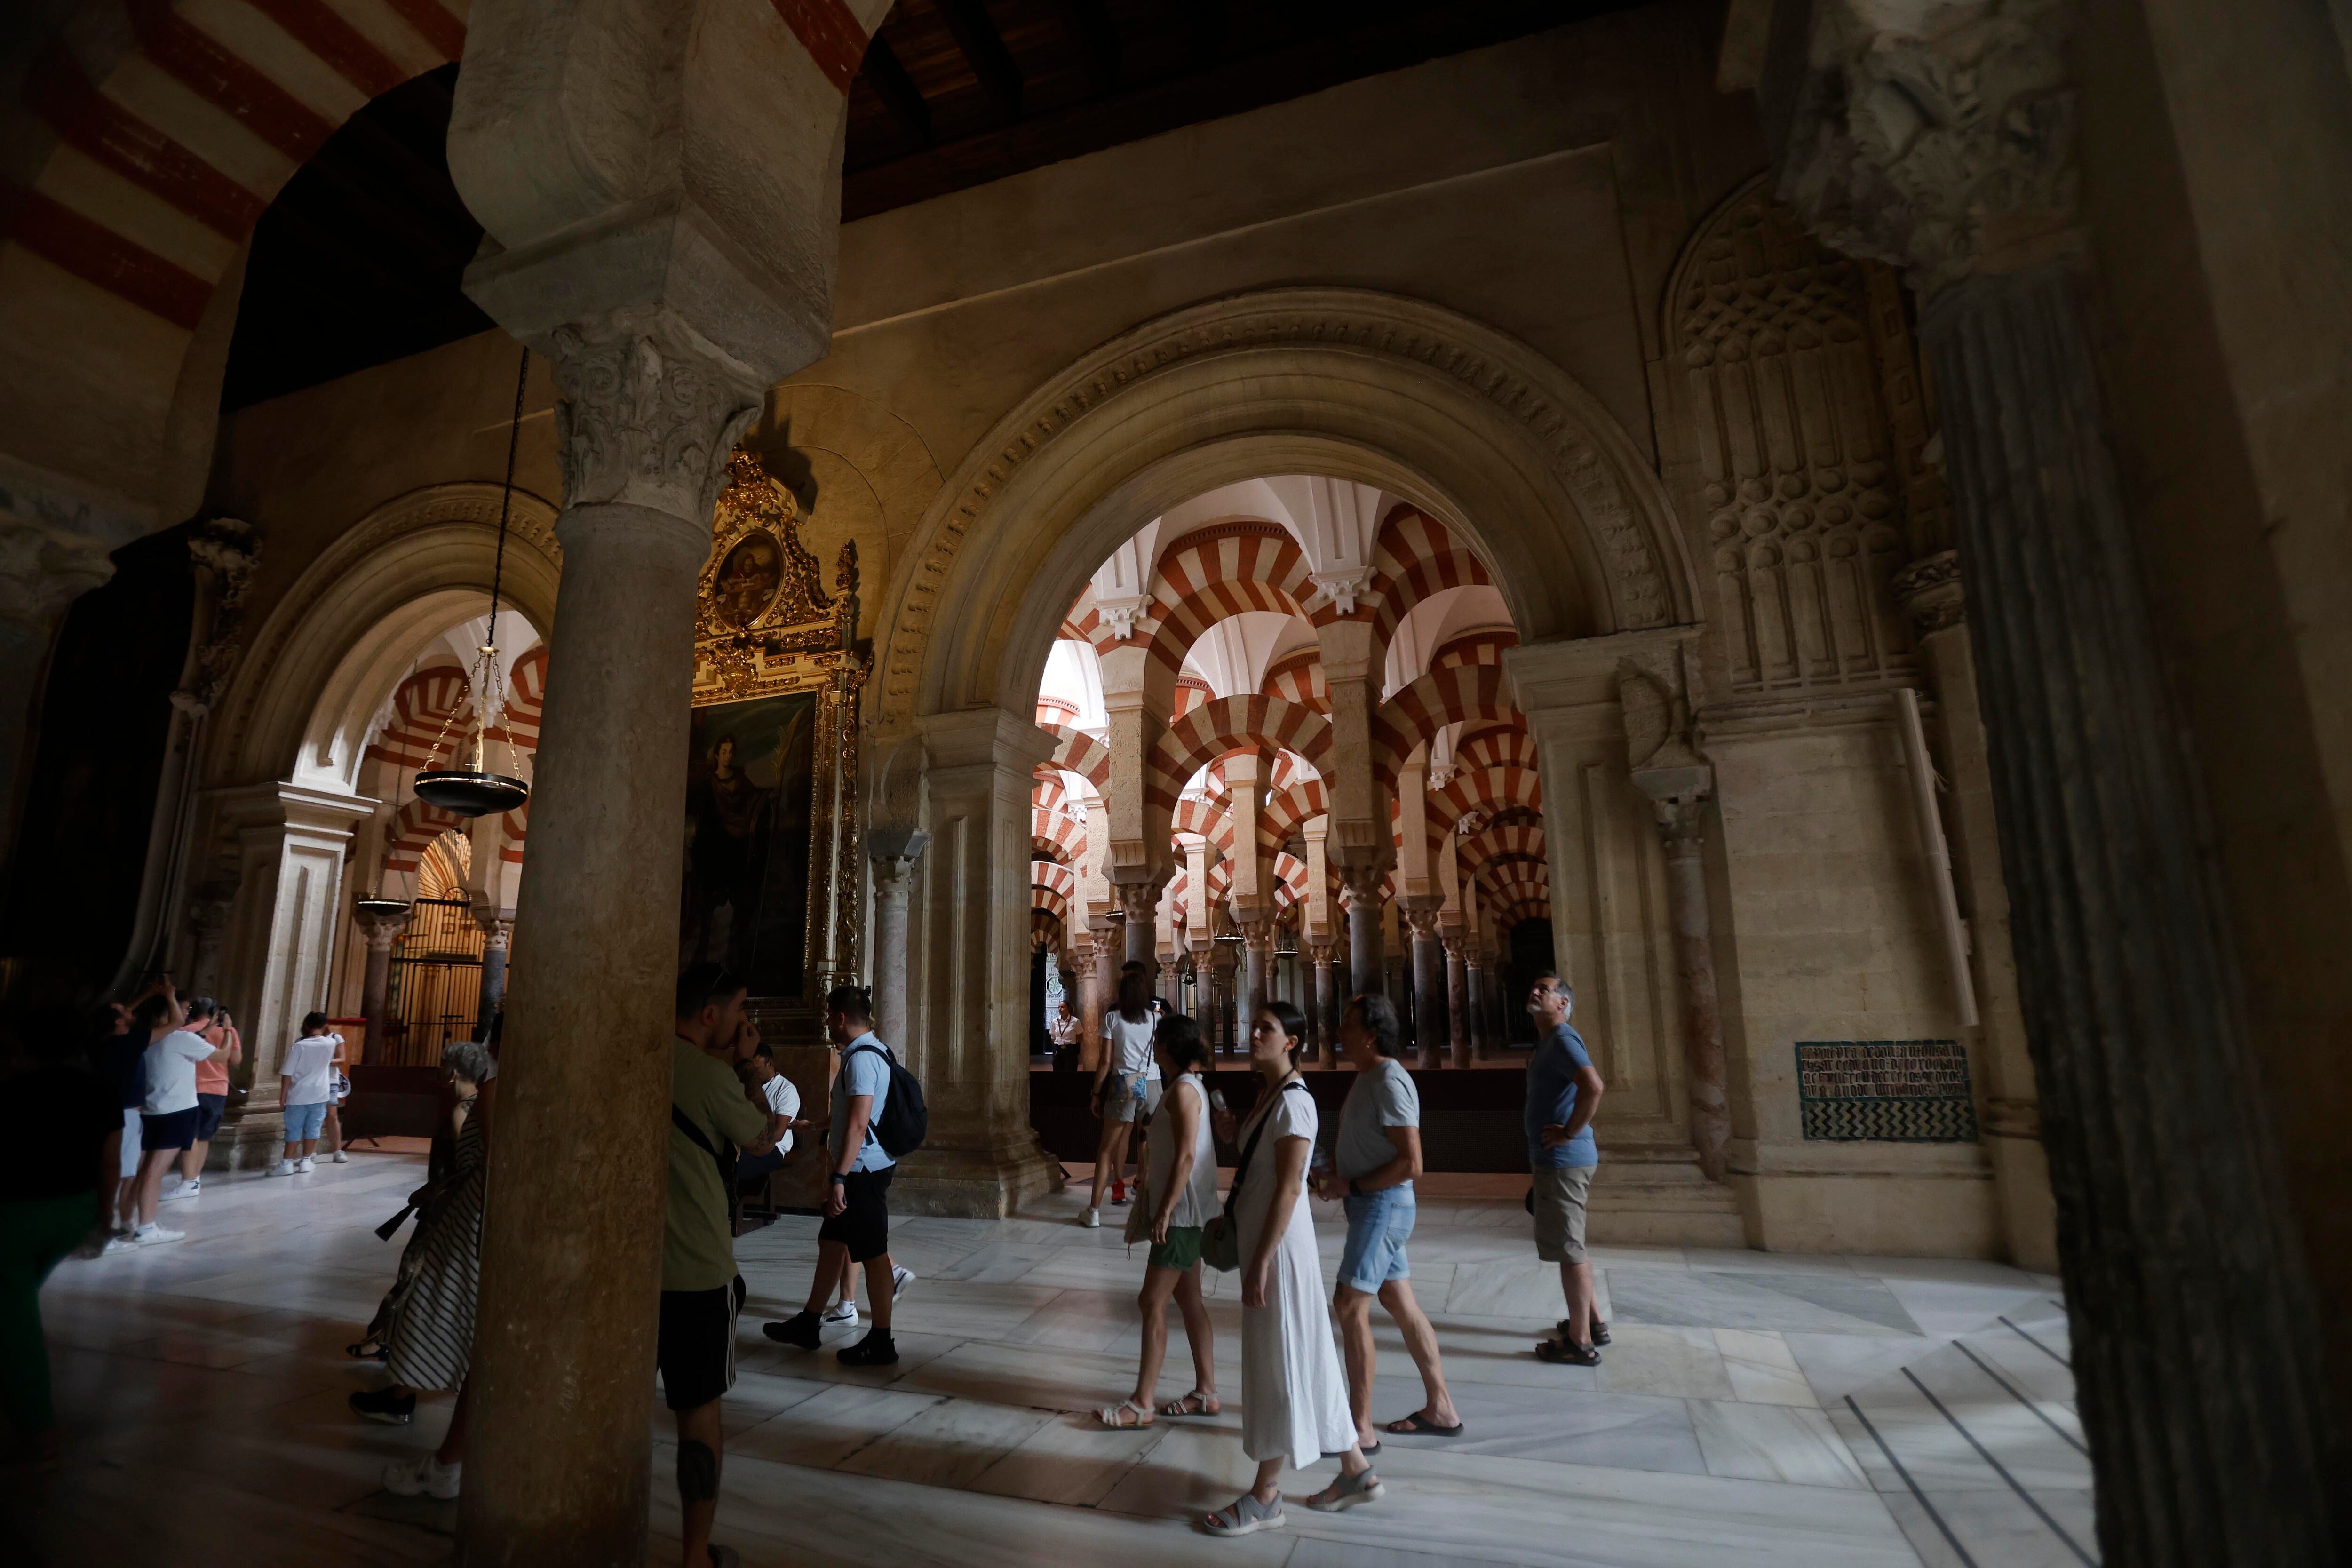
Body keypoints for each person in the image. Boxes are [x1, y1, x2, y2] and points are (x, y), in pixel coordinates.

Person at [1201, 1000, 1380, 1536]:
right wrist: (1232, 1130)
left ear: (1292, 1042)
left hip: (1279, 1250)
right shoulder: (1271, 1096)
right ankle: (1355, 1469)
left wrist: (1260, 1260)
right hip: (1267, 1243)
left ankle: (1266, 1495)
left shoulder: (1296, 1102)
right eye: (1254, 1025)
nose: (1254, 1034)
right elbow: (1261, 1165)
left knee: (1278, 1362)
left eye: (1267, 1028)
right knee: (1306, 1353)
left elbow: (1289, 1187)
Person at [663, 963, 786, 1568]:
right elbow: (763, 1139)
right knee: (698, 1416)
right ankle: (693, 1556)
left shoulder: (631, 1059)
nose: (745, 1021)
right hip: (696, 1273)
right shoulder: (712, 1076)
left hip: (627, 1271)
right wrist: (752, 1071)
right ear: (710, 1015)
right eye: (739, 1009)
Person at [347, 1038, 498, 1499]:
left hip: (469, 1223)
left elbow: (484, 1167)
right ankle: (404, 1398)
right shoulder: (486, 1098)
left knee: (432, 1308)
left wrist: (439, 1195)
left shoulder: (483, 1100)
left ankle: (405, 1400)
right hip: (468, 1217)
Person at [1315, 993, 1463, 1444]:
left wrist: (1354, 1186)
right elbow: (1373, 1145)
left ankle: (1359, 1429)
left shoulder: (1389, 1080)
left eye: (1348, 1023)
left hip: (1382, 1207)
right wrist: (1338, 1174)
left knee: (1349, 1305)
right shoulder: (1369, 1077)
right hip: (1373, 1206)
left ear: (1370, 1034)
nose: (1339, 1031)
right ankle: (1441, 1407)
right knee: (1400, 1302)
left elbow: (1411, 1163)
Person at [762, 985, 911, 1366]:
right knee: (831, 1241)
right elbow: (854, 1113)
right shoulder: (874, 1050)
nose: (828, 1023)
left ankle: (881, 1341)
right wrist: (820, 1124)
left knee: (873, 1254)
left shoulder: (860, 1060)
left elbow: (860, 1122)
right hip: (864, 1165)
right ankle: (809, 1322)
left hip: (862, 1170)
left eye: (829, 1016)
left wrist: (840, 1177)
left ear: (841, 1017)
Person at [1, 1006, 123, 1468]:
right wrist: (104, 1214)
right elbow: (110, 1162)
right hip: (73, 1210)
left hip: (14, 1215)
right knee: (15, 1305)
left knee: (16, 1321)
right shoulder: (100, 1091)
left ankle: (39, 1430)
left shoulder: (10, 1090)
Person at [1097, 1013, 1221, 1429]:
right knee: (1190, 1299)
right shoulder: (1187, 1085)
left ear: (1164, 1048)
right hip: (1189, 1212)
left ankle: (1142, 1402)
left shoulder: (1184, 1090)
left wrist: (1165, 1209)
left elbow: (1187, 1155)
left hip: (1182, 1214)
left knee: (1151, 1303)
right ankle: (1207, 1391)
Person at [1525, 971, 1607, 1365]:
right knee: (1568, 1244)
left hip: (1564, 1161)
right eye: (1535, 986)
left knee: (1571, 1248)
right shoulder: (1550, 1041)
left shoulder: (1561, 1037)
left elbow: (1594, 1086)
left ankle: (1580, 1341)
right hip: (1557, 1162)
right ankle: (1593, 1322)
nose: (1535, 991)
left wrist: (1569, 1132)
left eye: (1545, 989)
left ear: (1563, 1004)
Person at [131, 993, 225, 1245]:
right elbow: (222, 1056)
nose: (186, 1014)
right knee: (154, 1172)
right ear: (168, 1013)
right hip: (178, 1113)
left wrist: (207, 1029)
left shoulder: (144, 1038)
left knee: (141, 1170)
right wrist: (227, 1033)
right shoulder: (181, 1038)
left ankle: (128, 1222)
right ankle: (146, 1227)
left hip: (150, 1111)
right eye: (183, 1009)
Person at [1083, 968, 1160, 1227]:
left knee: (1107, 1148)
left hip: (1125, 1081)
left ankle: (1094, 1211)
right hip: (1152, 1081)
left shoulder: (1113, 1019)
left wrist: (1096, 1093)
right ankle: (1147, 1209)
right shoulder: (1155, 1018)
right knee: (1149, 1144)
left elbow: (1105, 1063)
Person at [166, 999, 241, 1200]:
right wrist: (227, 1032)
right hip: (218, 1089)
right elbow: (236, 1060)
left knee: (190, 1136)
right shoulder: (228, 1031)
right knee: (205, 1136)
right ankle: (195, 1179)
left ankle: (188, 1180)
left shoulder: (184, 1031)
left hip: (192, 1088)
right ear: (215, 1012)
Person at [86, 1001, 145, 1251]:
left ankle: (111, 1226)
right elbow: (175, 1022)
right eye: (124, 1012)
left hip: (116, 1111)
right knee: (120, 1174)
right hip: (126, 1114)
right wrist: (165, 993)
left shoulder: (102, 1044)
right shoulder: (125, 1043)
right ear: (118, 1021)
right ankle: (106, 1230)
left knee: (118, 1173)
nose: (130, 1013)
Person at [271, 1012, 339, 1176]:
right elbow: (328, 1036)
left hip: (299, 1093)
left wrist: (283, 1095)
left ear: (306, 1025)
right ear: (325, 1026)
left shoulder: (299, 1046)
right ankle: (306, 1161)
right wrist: (326, 1030)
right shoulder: (330, 1043)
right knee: (314, 1127)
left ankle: (287, 1163)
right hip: (320, 1093)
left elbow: (288, 1073)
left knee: (294, 1128)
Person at [319, 1023, 351, 1164]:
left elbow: (342, 1059)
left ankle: (338, 1150)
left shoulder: (335, 1038)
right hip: (315, 1081)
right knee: (314, 1116)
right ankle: (310, 1153)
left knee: (332, 1115)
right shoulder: (308, 1039)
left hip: (331, 1080)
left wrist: (326, 1062)